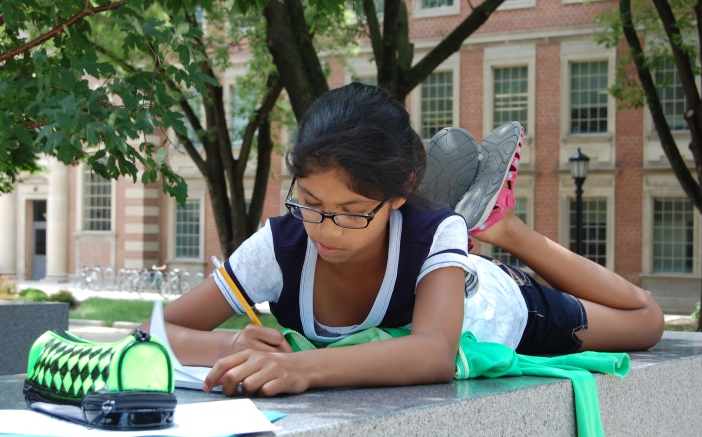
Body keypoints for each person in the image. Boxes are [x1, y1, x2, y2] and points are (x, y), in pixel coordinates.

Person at [142, 83, 664, 397]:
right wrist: (230, 343)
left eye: (350, 212)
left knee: (645, 320)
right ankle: (474, 226)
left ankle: (503, 228)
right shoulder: (279, 245)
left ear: (398, 195)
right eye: (311, 203)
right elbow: (155, 331)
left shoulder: (431, 233)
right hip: (439, 262)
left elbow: (435, 352)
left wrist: (300, 367)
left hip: (495, 307)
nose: (324, 228)